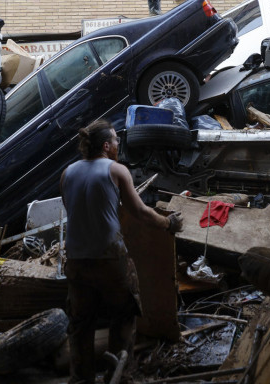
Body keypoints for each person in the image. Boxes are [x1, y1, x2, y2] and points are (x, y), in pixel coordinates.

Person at [61, 120, 183, 383]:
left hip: (76, 261)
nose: (118, 144)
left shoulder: (67, 173)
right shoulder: (117, 170)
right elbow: (139, 212)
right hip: (109, 260)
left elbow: (74, 209)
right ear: (106, 146)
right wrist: (168, 223)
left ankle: (81, 380)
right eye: (115, 140)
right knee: (123, 316)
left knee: (81, 324)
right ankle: (118, 376)